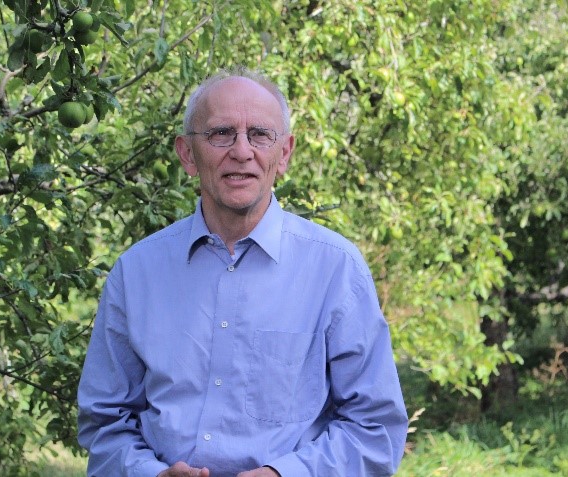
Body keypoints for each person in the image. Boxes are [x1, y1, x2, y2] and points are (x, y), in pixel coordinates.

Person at [77, 67, 409, 477]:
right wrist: (150, 474)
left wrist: (287, 475)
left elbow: (376, 430)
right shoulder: (136, 273)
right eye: (220, 133)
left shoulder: (336, 271)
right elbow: (104, 423)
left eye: (260, 135)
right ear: (187, 154)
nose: (241, 151)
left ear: (283, 153)